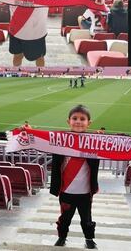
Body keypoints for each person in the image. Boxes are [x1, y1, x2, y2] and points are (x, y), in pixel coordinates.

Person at [50, 105, 99, 249]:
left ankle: (89, 239)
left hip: (85, 192)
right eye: (75, 118)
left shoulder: (96, 142)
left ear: (89, 123)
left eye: (82, 119)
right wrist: (25, 132)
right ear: (68, 121)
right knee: (64, 219)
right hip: (66, 192)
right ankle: (62, 238)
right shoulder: (59, 140)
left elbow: (120, 145)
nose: (78, 121)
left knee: (87, 219)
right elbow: (37, 140)